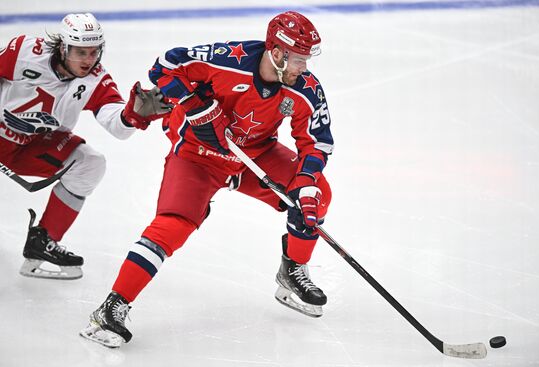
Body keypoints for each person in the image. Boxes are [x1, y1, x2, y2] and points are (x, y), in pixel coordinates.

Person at [80, 11, 334, 347]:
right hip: (198, 157)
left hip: (254, 157)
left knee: (317, 195)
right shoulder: (229, 60)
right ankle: (113, 306)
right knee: (173, 224)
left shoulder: (304, 88)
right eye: (299, 59)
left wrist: (305, 184)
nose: (305, 68)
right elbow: (165, 66)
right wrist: (195, 105)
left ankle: (292, 270)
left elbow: (317, 142)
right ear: (277, 53)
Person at [0, 13, 170, 280]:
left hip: (32, 146)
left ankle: (41, 244)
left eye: (94, 52)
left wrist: (133, 114)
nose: (88, 60)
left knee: (90, 164)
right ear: (63, 47)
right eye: (81, 52)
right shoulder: (24, 51)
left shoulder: (95, 81)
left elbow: (116, 125)